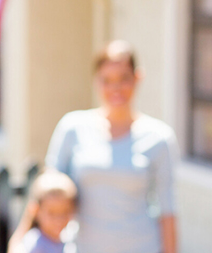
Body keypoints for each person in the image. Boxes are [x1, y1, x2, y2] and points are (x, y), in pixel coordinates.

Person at [43, 40, 178, 253]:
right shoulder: (72, 128)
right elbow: (47, 192)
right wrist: (20, 238)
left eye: (123, 79)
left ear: (137, 77)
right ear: (96, 82)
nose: (115, 88)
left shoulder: (159, 138)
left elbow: (168, 210)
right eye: (106, 80)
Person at [9, 171, 78, 253]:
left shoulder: (68, 239)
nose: (59, 220)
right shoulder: (33, 243)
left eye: (65, 212)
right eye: (52, 213)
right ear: (36, 210)